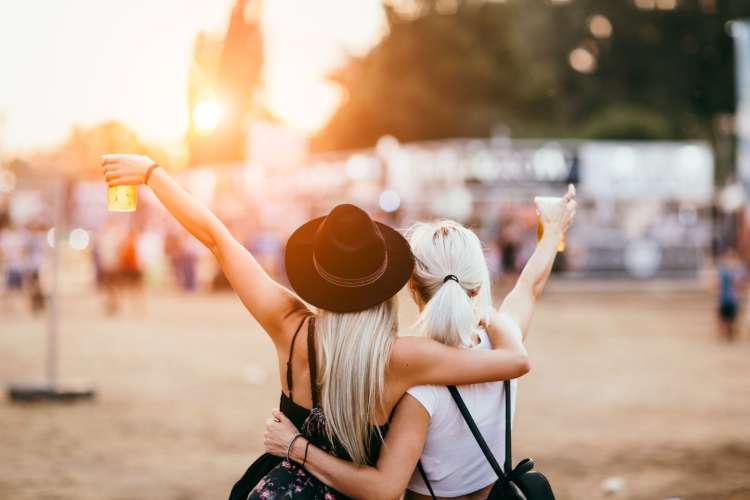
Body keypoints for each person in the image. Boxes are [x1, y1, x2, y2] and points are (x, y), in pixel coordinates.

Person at [101, 155, 567, 499]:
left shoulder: (288, 325)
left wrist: (151, 175)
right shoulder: (404, 358)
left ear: (316, 278)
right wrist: (499, 316)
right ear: (389, 284)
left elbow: (218, 240)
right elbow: (511, 354)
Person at [260, 190, 575, 500]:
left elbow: (384, 488)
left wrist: (296, 446)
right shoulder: (501, 342)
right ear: (477, 284)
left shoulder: (418, 385)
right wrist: (553, 232)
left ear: (411, 286)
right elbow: (528, 287)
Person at [716, 247, 746, 341]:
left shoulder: (739, 267)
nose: (729, 257)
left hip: (733, 297)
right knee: (724, 317)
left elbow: (740, 283)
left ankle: (731, 331)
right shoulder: (722, 267)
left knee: (732, 317)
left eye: (731, 255)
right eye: (728, 255)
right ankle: (727, 331)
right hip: (724, 297)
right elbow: (718, 283)